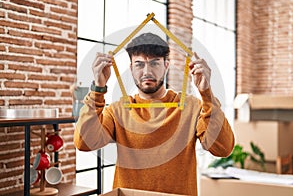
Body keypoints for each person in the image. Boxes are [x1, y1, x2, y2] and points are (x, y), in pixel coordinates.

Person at [74, 32, 235, 196]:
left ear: (166, 65)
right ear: (130, 68)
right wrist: (98, 89)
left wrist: (206, 94)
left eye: (154, 63)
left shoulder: (191, 107)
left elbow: (223, 148)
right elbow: (84, 143)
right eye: (139, 64)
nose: (147, 72)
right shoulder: (118, 110)